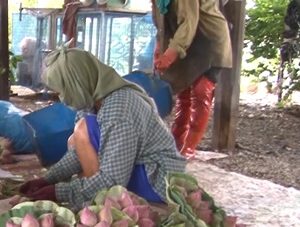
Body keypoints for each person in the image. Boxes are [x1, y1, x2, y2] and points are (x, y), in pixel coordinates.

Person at [19, 48, 186, 209]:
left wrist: (59, 192)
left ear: (79, 83)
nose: (63, 99)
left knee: (82, 130)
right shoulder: (93, 99)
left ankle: (104, 207)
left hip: (158, 180)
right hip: (137, 168)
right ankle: (94, 199)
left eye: (64, 91)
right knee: (75, 139)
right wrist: (48, 179)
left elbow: (112, 180)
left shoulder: (119, 109)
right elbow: (78, 152)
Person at [154, 0, 232, 159]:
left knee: (201, 91)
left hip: (209, 41)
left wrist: (169, 55)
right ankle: (174, 144)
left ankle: (188, 149)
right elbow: (161, 24)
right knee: (183, 92)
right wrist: (159, 47)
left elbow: (189, 21)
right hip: (187, 43)